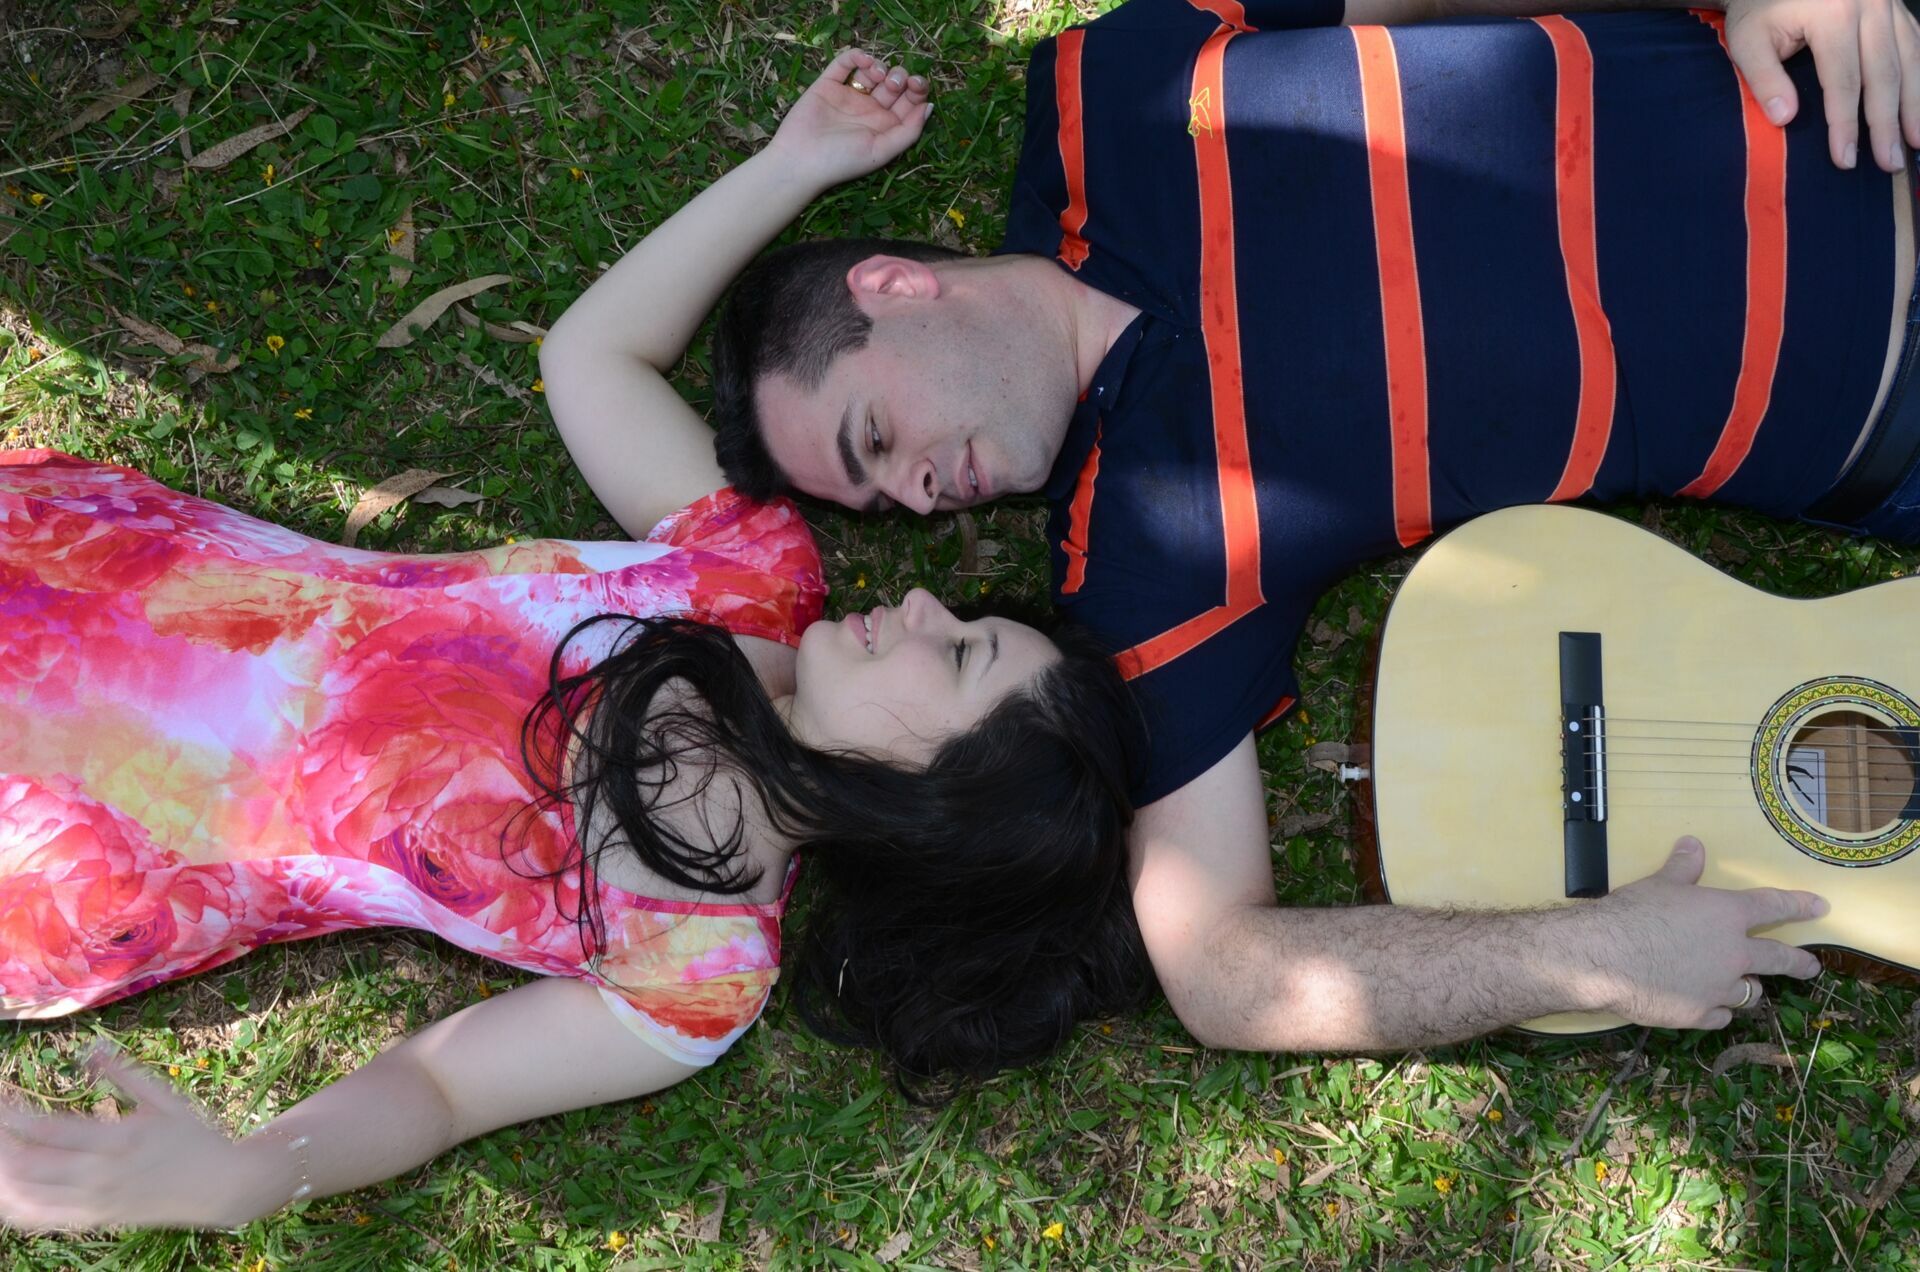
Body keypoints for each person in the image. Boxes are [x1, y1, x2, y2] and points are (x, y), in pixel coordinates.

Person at [0, 52, 1146, 1232]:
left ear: (932, 802)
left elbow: (439, 1089)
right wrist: (795, 163)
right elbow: (590, 357)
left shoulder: (695, 967)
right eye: (963, 618)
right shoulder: (750, 582)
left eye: (956, 653)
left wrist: (249, 1176)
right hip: (80, 571)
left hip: (67, 851)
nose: (922, 604)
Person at [699, 0, 1920, 1053]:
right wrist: (1597, 955)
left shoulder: (1112, 94)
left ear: (894, 287)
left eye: (876, 439)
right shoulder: (1140, 564)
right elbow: (1220, 972)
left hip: (1860, 83)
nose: (918, 494)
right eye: (881, 500)